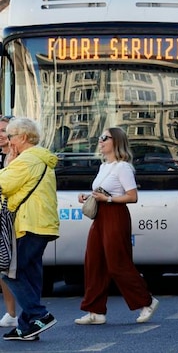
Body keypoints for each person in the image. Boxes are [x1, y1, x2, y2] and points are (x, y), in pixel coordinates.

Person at [75, 127, 159, 326]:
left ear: (116, 141)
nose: (101, 141)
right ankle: (95, 311)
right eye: (100, 137)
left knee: (117, 263)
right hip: (100, 215)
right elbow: (102, 191)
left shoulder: (123, 167)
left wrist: (109, 199)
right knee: (93, 261)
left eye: (105, 137)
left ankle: (146, 301)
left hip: (115, 215)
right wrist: (88, 196)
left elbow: (132, 196)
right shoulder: (104, 166)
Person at [0, 117, 59, 341]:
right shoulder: (37, 157)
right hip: (40, 224)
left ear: (23, 137)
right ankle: (27, 327)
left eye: (11, 136)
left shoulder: (27, 159)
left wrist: (10, 163)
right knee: (31, 274)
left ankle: (39, 315)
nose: (8, 141)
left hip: (29, 224)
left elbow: (4, 184)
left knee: (10, 272)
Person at [0, 116, 17, 328]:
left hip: (13, 217)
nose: (0, 134)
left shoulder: (20, 157)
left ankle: (20, 312)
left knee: (10, 267)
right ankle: (12, 312)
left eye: (4, 130)